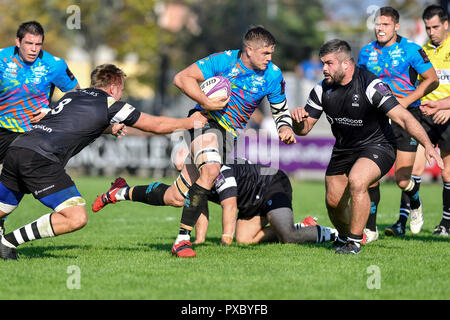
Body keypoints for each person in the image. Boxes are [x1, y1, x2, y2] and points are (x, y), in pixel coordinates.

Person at [0, 64, 207, 260]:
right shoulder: (111, 104)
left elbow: (75, 122)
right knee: (75, 217)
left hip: (19, 148)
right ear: (114, 87)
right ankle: (8, 241)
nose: (121, 94)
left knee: (2, 208)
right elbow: (156, 124)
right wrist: (190, 122)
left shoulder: (73, 95)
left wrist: (109, 128)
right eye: (121, 90)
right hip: (41, 158)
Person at [291, 39, 443, 255]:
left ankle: (354, 242)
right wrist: (298, 120)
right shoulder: (321, 89)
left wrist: (427, 144)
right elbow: (304, 129)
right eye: (322, 63)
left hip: (379, 145)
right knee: (333, 202)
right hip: (344, 149)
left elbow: (404, 117)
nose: (324, 68)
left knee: (358, 180)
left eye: (329, 63)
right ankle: (343, 237)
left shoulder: (372, 86)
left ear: (346, 64)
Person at [168, 25, 296, 257]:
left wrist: (285, 127)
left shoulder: (273, 75)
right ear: (249, 49)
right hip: (204, 121)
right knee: (210, 170)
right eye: (265, 53)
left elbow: (280, 109)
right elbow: (181, 78)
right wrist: (205, 102)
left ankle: (122, 193)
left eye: (271, 53)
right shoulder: (223, 61)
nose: (269, 58)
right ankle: (182, 239)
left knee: (176, 196)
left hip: (229, 136)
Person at [92, 161, 337, 247]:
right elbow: (198, 206)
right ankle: (298, 225)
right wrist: (198, 239)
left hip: (272, 183)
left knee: (287, 237)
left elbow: (229, 206)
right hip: (251, 202)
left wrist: (224, 240)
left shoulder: (220, 171)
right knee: (246, 239)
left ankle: (322, 232)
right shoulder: (199, 175)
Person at [357, 6, 439, 239]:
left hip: (406, 117)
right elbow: (361, 81)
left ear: (396, 26)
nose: (380, 29)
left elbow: (431, 80)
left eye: (385, 25)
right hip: (377, 118)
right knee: (370, 176)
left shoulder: (411, 49)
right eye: (377, 24)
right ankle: (370, 229)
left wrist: (405, 101)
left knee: (403, 180)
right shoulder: (366, 52)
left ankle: (415, 202)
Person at [0, 21, 80, 234]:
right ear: (18, 42)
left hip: (31, 135)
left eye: (38, 44)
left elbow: (76, 96)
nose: (34, 49)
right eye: (29, 43)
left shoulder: (55, 65)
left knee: (14, 186)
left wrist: (52, 112)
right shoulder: (1, 59)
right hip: (2, 129)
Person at [415, 4, 450, 237]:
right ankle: (404, 218)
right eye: (428, 28)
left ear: (446, 24)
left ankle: (446, 223)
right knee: (412, 170)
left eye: (435, 26)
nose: (431, 31)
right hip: (426, 117)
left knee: (447, 173)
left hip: (448, 114)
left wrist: (447, 108)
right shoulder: (422, 51)